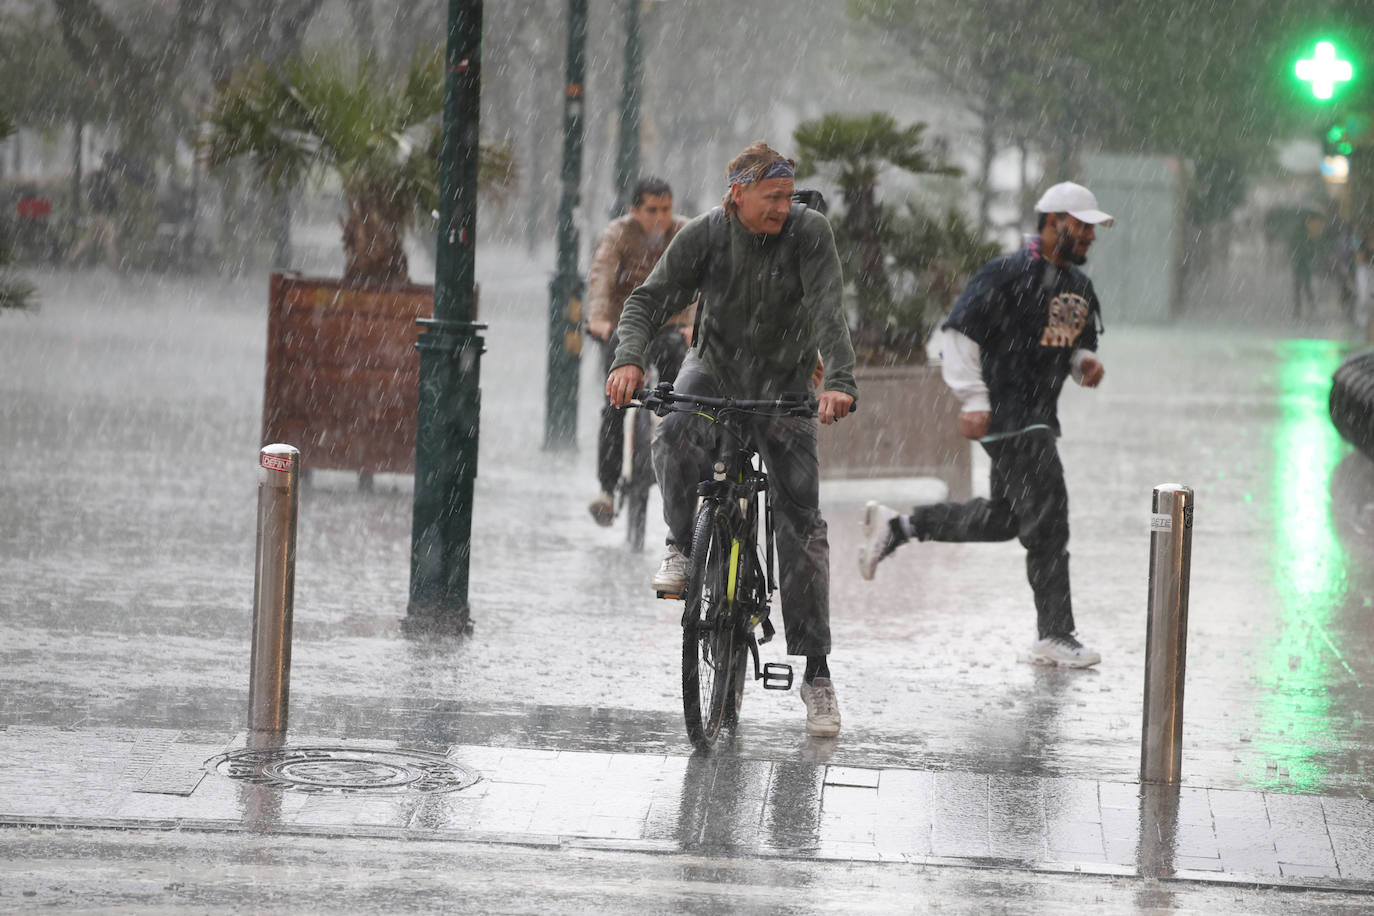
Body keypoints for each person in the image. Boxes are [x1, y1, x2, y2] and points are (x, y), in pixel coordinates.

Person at [605, 141, 858, 737]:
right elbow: (648, 299)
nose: (782, 207)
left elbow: (828, 310)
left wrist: (838, 381)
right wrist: (628, 360)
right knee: (670, 431)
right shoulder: (705, 235)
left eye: (788, 197)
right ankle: (681, 545)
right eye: (771, 197)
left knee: (801, 525)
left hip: (785, 386)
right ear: (736, 195)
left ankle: (817, 674)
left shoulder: (809, 233)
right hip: (714, 370)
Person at [857, 181, 1114, 668]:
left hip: (1039, 417)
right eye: (1081, 226)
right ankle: (1055, 634)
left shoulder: (1078, 287)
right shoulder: (1008, 273)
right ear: (1052, 221)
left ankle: (901, 526)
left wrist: (1083, 364)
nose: (1089, 236)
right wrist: (975, 398)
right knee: (1050, 519)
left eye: (1092, 228)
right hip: (1011, 417)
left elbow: (1073, 342)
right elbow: (959, 332)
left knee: (1007, 519)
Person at [586, 177, 694, 526]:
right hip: (625, 329)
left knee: (684, 401)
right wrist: (599, 320)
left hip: (672, 327)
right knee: (616, 403)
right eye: (651, 210)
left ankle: (683, 477)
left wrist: (694, 324)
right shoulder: (618, 233)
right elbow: (601, 277)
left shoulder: (685, 232)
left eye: (666, 209)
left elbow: (702, 281)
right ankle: (607, 489)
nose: (660, 217)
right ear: (635, 211)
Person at [67, 166, 121, 269]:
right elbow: (114, 203)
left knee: (90, 239)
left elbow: (91, 200)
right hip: (103, 216)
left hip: (96, 215)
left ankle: (72, 257)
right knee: (109, 240)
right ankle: (115, 266)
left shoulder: (93, 185)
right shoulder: (107, 185)